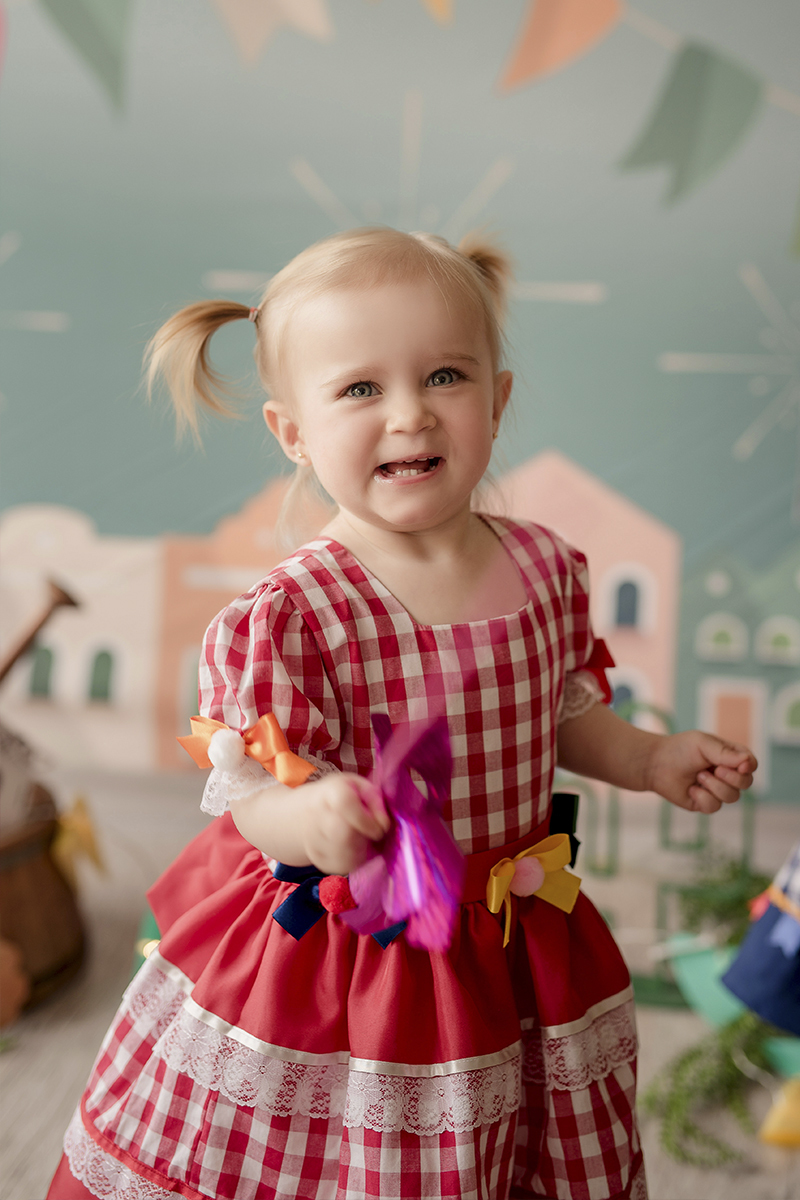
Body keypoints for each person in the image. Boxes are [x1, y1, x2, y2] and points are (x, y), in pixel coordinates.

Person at [47, 228, 757, 1200]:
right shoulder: (296, 613)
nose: (410, 416)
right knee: (364, 1153)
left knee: (516, 1135)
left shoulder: (544, 568)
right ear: (291, 431)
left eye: (445, 377)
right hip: (361, 953)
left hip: (511, 928)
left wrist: (649, 758)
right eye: (358, 390)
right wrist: (308, 818)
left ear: (497, 400)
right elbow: (250, 786)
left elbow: (556, 714)